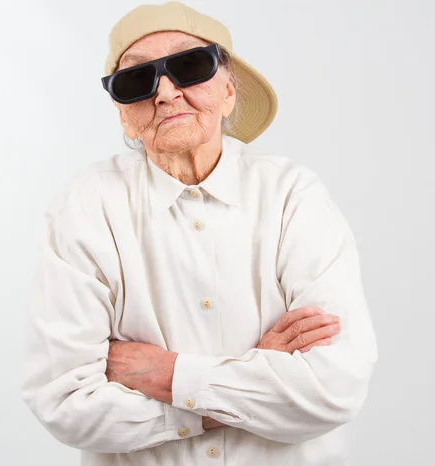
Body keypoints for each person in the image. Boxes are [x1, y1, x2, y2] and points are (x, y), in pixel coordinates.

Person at [21, 2, 378, 465]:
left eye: (189, 65)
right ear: (122, 112)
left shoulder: (294, 196)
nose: (166, 92)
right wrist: (247, 382)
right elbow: (65, 405)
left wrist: (168, 375)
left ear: (229, 89)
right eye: (136, 80)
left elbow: (334, 388)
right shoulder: (85, 209)